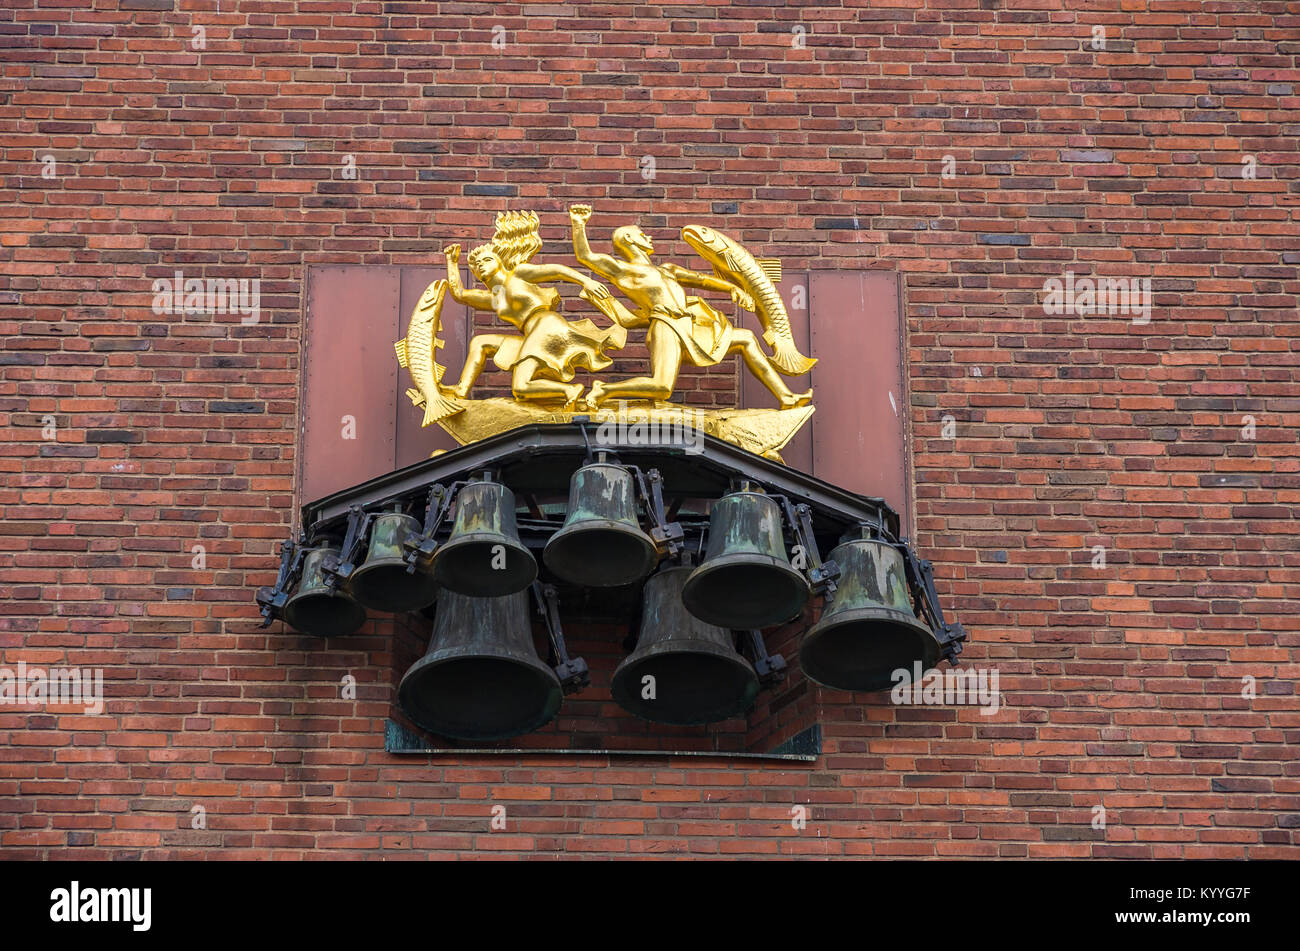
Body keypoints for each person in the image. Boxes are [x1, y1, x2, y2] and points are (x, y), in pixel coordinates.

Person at [567, 204, 812, 409]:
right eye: (642, 234)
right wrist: (579, 224)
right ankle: (605, 390)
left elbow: (700, 279)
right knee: (662, 387)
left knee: (747, 339)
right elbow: (585, 256)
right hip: (665, 326)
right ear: (629, 239)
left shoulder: (668, 270)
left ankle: (786, 397)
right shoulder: (625, 270)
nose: (648, 237)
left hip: (689, 324)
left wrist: (732, 288)